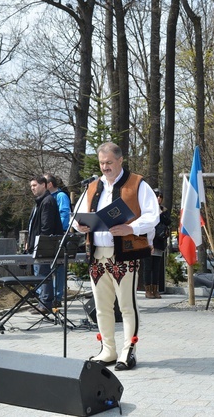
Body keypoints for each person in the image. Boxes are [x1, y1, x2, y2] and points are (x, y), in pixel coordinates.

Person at [74, 142, 159, 371]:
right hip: (97, 254)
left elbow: (153, 216)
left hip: (124, 254)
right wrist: (79, 226)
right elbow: (77, 215)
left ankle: (127, 351)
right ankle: (108, 350)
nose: (105, 167)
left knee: (127, 305)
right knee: (101, 307)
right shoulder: (92, 186)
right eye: (102, 163)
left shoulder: (138, 184)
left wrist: (131, 228)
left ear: (120, 160)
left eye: (109, 162)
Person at [26, 175, 63, 315]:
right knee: (40, 273)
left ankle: (46, 304)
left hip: (43, 245)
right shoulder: (39, 202)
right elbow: (33, 225)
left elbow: (46, 227)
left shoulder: (47, 201)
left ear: (44, 185)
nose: (32, 188)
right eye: (31, 186)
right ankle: (43, 301)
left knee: (43, 274)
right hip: (35, 244)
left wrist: (39, 244)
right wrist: (28, 242)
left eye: (35, 185)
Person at [45, 173, 71, 307]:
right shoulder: (47, 197)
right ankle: (46, 296)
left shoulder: (60, 196)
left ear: (49, 184)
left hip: (58, 235)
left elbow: (65, 214)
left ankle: (57, 297)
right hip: (48, 236)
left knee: (58, 267)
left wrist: (57, 230)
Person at [143, 188, 171, 299]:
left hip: (159, 242)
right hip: (148, 242)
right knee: (147, 267)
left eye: (160, 197)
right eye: (156, 196)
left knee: (156, 268)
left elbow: (168, 221)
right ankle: (148, 290)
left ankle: (155, 290)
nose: (158, 198)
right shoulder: (147, 209)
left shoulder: (163, 210)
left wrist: (160, 213)